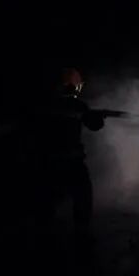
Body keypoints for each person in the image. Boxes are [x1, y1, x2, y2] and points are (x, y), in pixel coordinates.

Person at [40, 67, 104, 237]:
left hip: (49, 163)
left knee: (49, 203)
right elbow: (95, 125)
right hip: (68, 163)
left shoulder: (47, 104)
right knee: (82, 198)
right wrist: (96, 118)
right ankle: (80, 236)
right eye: (77, 84)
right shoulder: (76, 105)